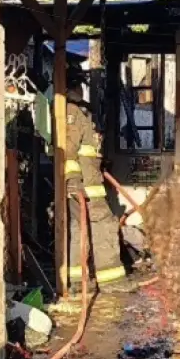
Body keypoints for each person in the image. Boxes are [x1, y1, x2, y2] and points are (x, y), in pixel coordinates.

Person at [64, 71, 125, 290]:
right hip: (84, 187)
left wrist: (101, 163)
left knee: (80, 229)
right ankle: (112, 282)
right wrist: (72, 181)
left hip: (89, 184)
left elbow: (86, 151)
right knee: (104, 224)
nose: (82, 89)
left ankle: (79, 282)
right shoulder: (72, 113)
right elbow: (67, 151)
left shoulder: (79, 113)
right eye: (78, 85)